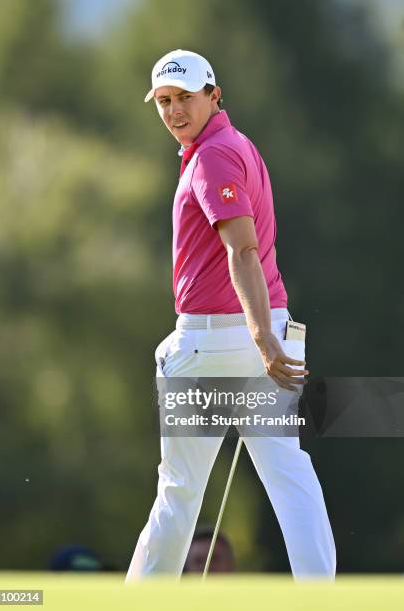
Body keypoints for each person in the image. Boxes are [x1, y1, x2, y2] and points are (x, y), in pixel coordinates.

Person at [126, 49, 336, 581]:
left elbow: (241, 250)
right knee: (290, 474)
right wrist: (269, 336)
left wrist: (262, 338)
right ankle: (324, 594)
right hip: (267, 329)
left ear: (214, 95)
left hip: (218, 339)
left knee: (178, 494)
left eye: (185, 99)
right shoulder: (234, 145)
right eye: (165, 102)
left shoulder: (213, 157)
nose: (174, 112)